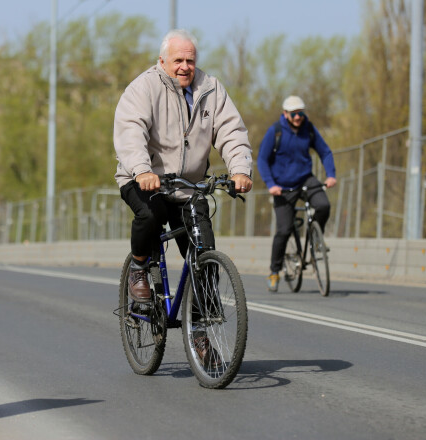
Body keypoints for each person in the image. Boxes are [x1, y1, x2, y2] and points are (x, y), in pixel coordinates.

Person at [113, 29, 253, 368]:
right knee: (149, 216)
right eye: (178, 60)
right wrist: (142, 169)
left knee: (203, 252)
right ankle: (139, 267)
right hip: (145, 180)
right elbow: (131, 130)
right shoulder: (143, 88)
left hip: (188, 185)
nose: (185, 66)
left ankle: (201, 336)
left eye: (190, 60)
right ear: (163, 61)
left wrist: (240, 169)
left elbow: (231, 131)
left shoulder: (210, 89)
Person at [257, 95, 336, 292]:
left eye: (301, 113)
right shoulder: (275, 132)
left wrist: (331, 175)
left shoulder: (308, 129)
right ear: (285, 114)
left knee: (323, 205)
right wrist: (270, 184)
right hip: (282, 187)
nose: (298, 117)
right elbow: (262, 160)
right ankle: (274, 271)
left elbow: (325, 152)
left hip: (305, 180)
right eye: (294, 114)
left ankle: (316, 239)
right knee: (283, 230)